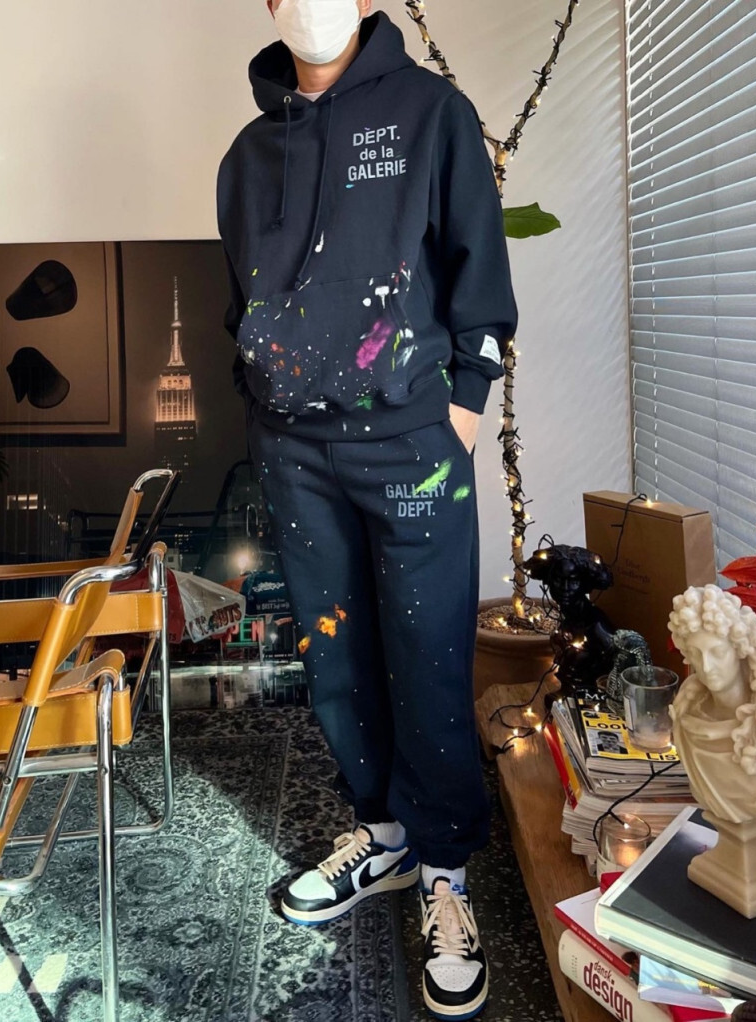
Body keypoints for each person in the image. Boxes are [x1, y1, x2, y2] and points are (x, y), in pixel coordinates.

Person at [216, 2, 517, 1017]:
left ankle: (445, 871)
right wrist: (257, 395)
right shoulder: (246, 156)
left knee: (428, 649)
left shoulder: (432, 112)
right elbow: (240, 297)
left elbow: (477, 264)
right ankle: (384, 835)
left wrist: (463, 406)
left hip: (411, 442)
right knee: (335, 650)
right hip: (293, 450)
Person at [669, 585, 756, 823]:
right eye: (696, 654)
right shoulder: (686, 713)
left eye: (718, 652)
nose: (707, 667)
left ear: (739, 649)